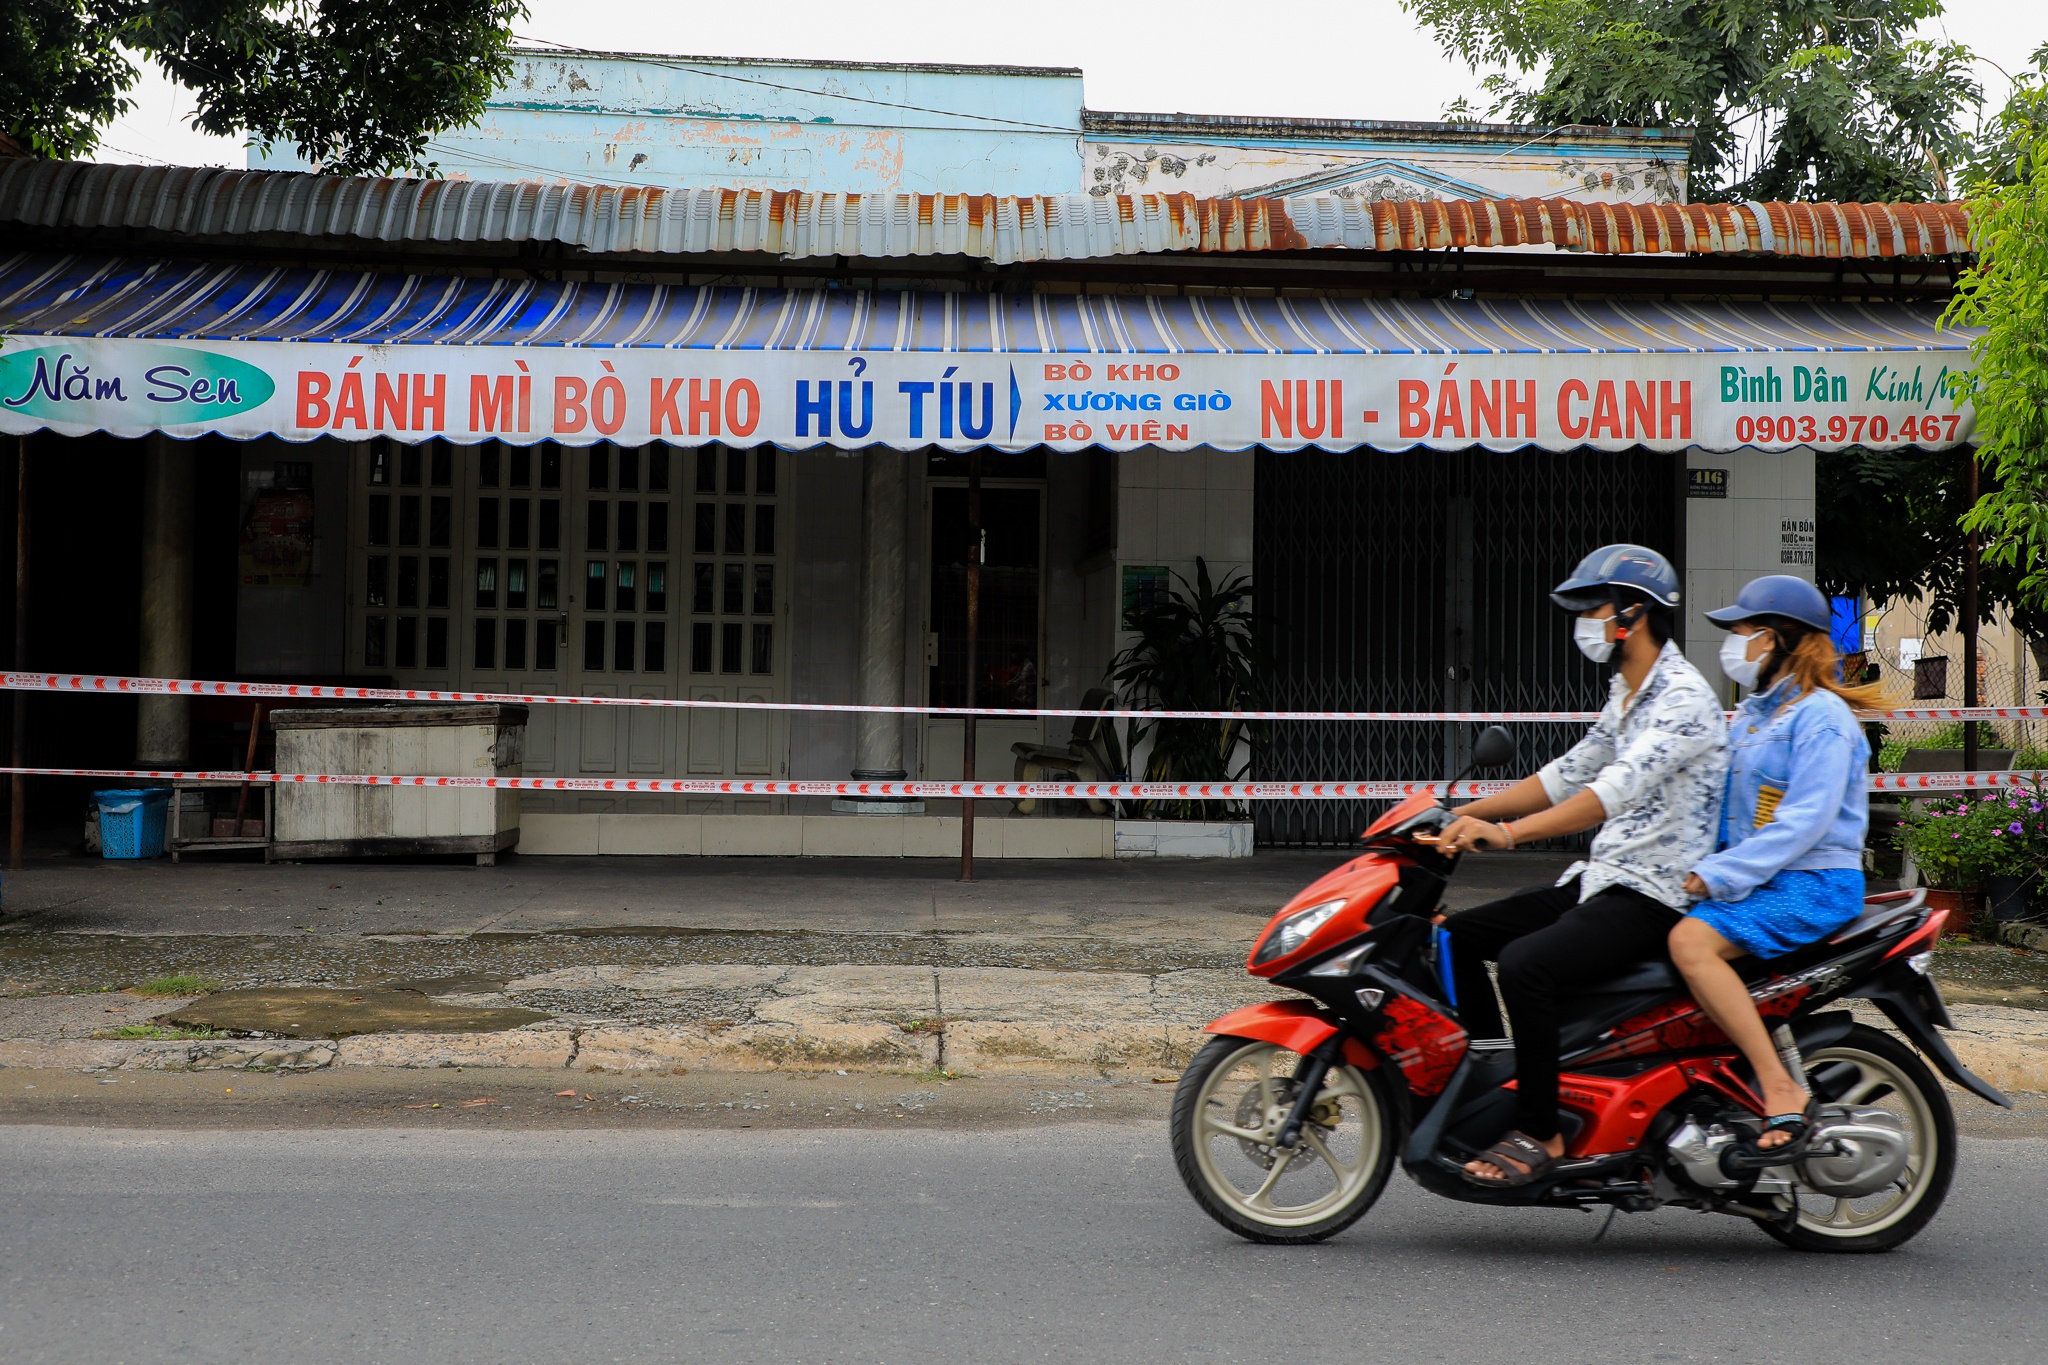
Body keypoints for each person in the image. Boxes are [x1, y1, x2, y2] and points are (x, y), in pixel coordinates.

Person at [1429, 544, 1728, 1187]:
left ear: (1633, 614)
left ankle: (1543, 1131)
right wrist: (1453, 812)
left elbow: (1605, 794)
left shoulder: (1682, 699)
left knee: (1525, 966)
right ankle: (1495, 1085)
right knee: (1454, 937)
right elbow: (1566, 775)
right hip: (1603, 880)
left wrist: (1505, 835)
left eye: (1593, 608)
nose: (1584, 622)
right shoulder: (1627, 692)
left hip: (1654, 893)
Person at [1669, 575, 1883, 1154]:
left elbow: (1803, 822)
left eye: (1741, 631)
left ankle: (1779, 1085)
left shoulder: (1823, 719)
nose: (1732, 644)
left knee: (1691, 944)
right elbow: (1718, 812)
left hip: (1812, 883)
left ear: (1776, 638)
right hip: (1761, 879)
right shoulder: (1751, 718)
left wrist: (1717, 876)